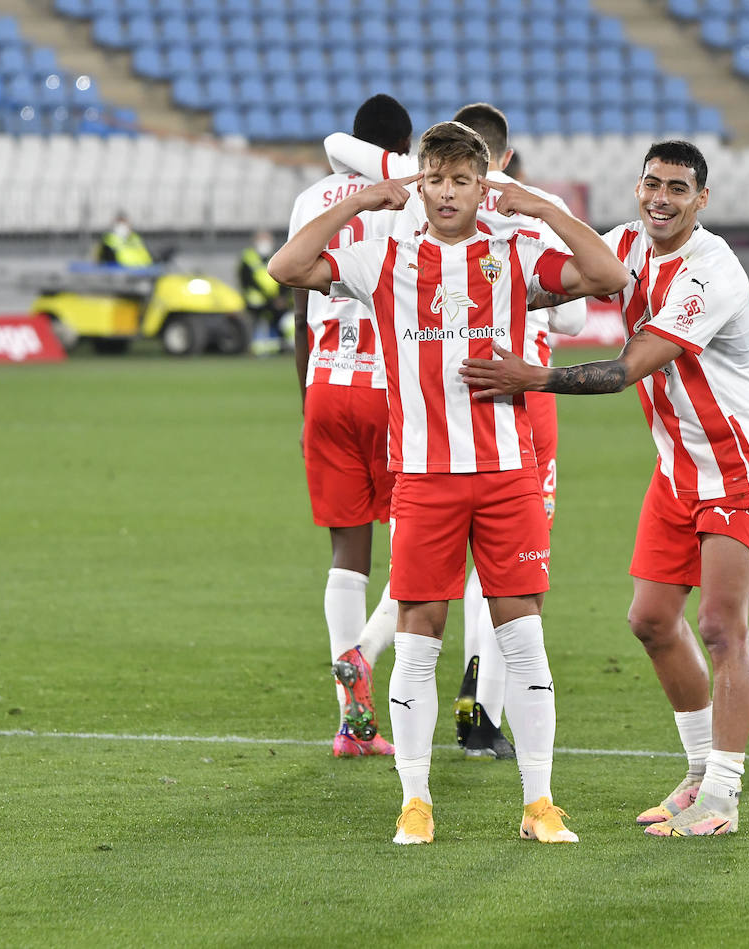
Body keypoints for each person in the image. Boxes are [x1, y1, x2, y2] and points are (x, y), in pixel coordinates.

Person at [269, 120, 628, 844]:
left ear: (481, 182)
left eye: (463, 179)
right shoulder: (383, 253)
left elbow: (609, 276)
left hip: (504, 474)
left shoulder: (512, 248)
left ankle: (539, 804)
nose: (447, 192)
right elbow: (287, 266)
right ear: (420, 181)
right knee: (420, 639)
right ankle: (414, 801)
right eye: (435, 178)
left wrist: (540, 207)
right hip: (426, 477)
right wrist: (367, 199)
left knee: (523, 638)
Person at [461, 140, 749, 837]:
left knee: (721, 626)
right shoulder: (630, 244)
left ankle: (724, 795)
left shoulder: (711, 272)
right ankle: (699, 770)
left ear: (703, 199)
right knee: (650, 620)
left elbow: (624, 369)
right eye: (650, 184)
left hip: (736, 464)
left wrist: (537, 376)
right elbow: (558, 281)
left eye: (676, 188)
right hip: (677, 466)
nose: (660, 199)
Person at [325, 101, 588, 761]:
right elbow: (580, 320)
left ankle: (370, 645)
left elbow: (341, 148)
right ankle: (480, 710)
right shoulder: (527, 214)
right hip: (518, 405)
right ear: (503, 160)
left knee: (428, 569)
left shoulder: (416, 212)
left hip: (426, 402)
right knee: (503, 578)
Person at [286, 93, 416, 758]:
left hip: (325, 384)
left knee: (347, 550)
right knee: (424, 547)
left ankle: (351, 723)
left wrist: (303, 398)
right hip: (390, 388)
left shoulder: (312, 199)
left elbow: (298, 297)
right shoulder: (410, 198)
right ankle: (364, 654)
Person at [239, 230, 291, 356]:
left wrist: (281, 297)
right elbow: (247, 281)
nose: (264, 243)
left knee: (283, 321)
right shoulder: (248, 257)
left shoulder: (277, 256)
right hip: (257, 302)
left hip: (276, 301)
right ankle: (254, 348)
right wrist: (271, 298)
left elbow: (286, 277)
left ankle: (281, 346)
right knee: (256, 324)